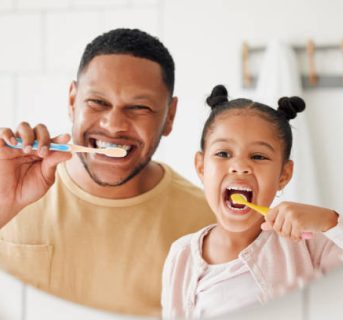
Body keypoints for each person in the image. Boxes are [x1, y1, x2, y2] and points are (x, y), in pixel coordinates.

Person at [0, 28, 215, 316]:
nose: (114, 125)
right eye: (98, 102)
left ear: (169, 115)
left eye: (139, 107)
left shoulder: (207, 226)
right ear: (73, 100)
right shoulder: (12, 193)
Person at [161, 84, 343, 319]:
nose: (240, 166)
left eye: (258, 156)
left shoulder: (309, 245)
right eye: (223, 154)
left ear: (283, 175)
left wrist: (329, 221)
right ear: (202, 167)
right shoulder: (182, 255)